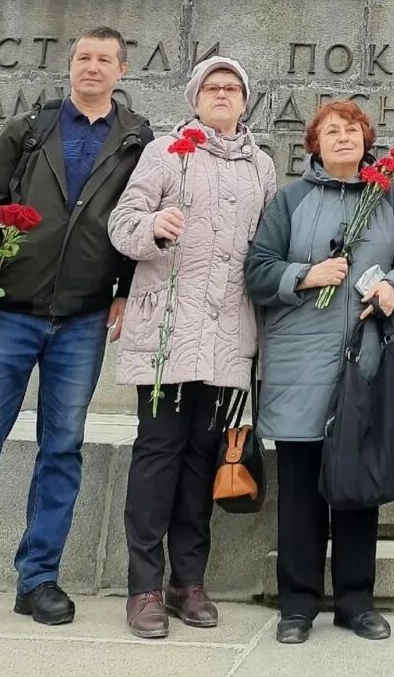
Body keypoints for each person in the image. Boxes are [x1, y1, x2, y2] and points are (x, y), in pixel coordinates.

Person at [0, 28, 153, 638]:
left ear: (121, 70)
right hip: (9, 310)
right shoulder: (29, 128)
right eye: (82, 58)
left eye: (103, 59)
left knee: (61, 449)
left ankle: (38, 578)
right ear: (71, 66)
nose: (91, 67)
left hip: (84, 318)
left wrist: (123, 289)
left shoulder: (138, 139)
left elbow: (136, 218)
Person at [245, 99, 394, 646]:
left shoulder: (390, 197)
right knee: (300, 488)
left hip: (364, 359)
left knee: (357, 486)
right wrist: (306, 274)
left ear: (367, 140)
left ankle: (355, 601)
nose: (344, 137)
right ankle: (297, 605)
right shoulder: (291, 199)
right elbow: (257, 269)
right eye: (332, 130)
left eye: (353, 130)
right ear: (315, 144)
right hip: (300, 365)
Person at [108, 55, 275, 639]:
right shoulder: (164, 153)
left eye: (233, 87)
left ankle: (188, 581)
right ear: (194, 98)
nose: (223, 94)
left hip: (230, 337)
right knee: (157, 456)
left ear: (245, 101)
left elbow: (265, 247)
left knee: (204, 461)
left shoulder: (262, 167)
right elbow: (122, 225)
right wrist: (155, 227)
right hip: (167, 333)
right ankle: (144, 587)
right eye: (213, 86)